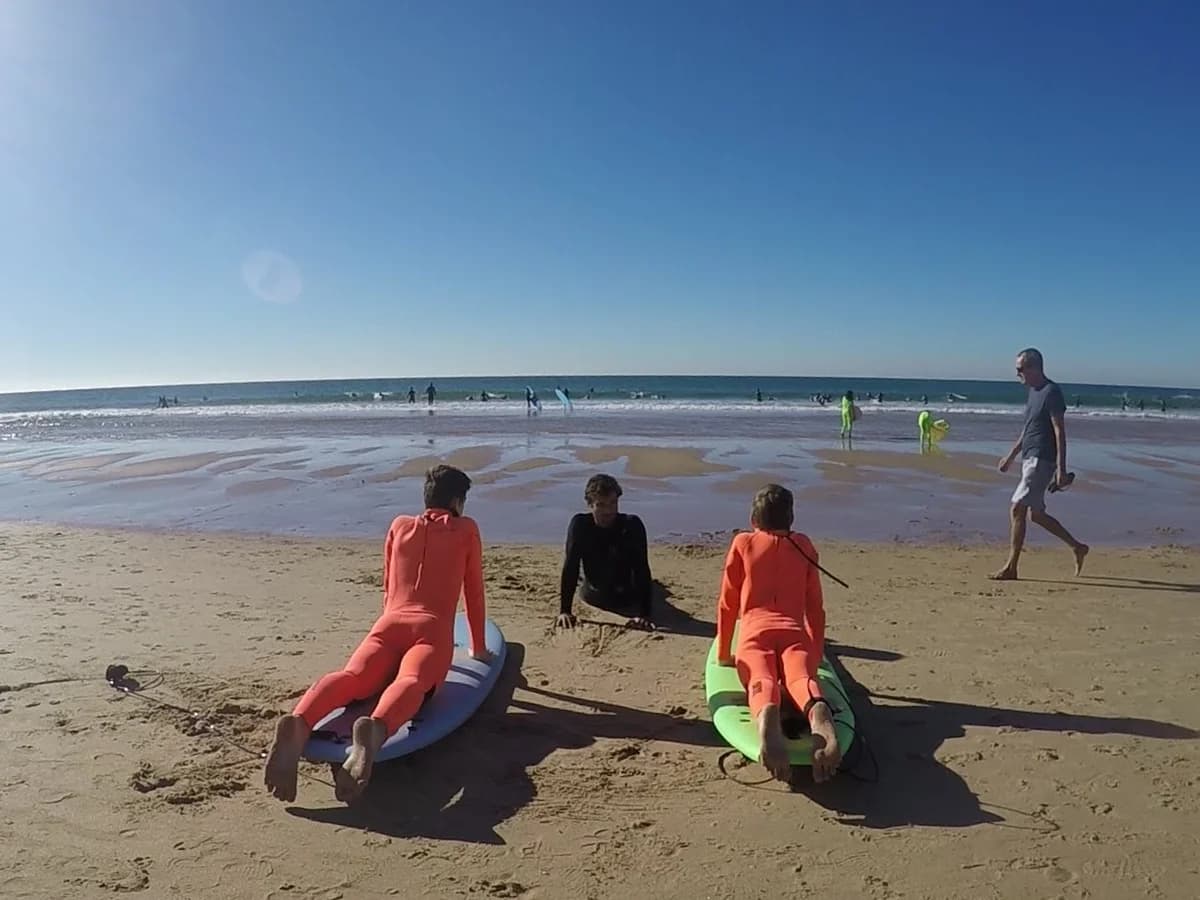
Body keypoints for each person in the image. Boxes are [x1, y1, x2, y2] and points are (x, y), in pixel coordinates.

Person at [264, 465, 492, 804]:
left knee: (354, 676)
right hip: (431, 631)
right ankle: (375, 729)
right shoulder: (465, 529)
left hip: (387, 625)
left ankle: (300, 720)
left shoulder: (399, 526)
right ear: (458, 501)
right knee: (413, 680)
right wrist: (478, 649)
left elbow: (388, 586)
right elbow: (473, 594)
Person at [715, 484, 840, 783]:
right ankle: (817, 710)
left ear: (754, 518)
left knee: (763, 679)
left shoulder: (743, 543)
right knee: (800, 678)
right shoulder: (805, 545)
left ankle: (768, 712)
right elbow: (815, 608)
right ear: (791, 517)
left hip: (755, 633)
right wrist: (817, 653)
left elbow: (727, 603)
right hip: (794, 634)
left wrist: (723, 654)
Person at [991, 348, 1088, 581]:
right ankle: (1077, 547)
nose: (1017, 374)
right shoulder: (1034, 393)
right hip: (1029, 458)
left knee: (1016, 508)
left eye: (1020, 369)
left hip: (1042, 459)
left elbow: (1059, 431)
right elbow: (1028, 430)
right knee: (1036, 515)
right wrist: (1011, 456)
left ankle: (1011, 568)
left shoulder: (1051, 391)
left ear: (1034, 368)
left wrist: (1061, 468)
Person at [556, 474, 655, 631]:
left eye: (613, 503)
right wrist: (565, 611)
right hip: (593, 594)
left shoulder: (631, 525)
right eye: (601, 505)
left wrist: (644, 615)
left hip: (627, 596)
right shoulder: (580, 525)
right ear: (590, 504)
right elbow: (571, 566)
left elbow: (641, 568)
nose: (608, 511)